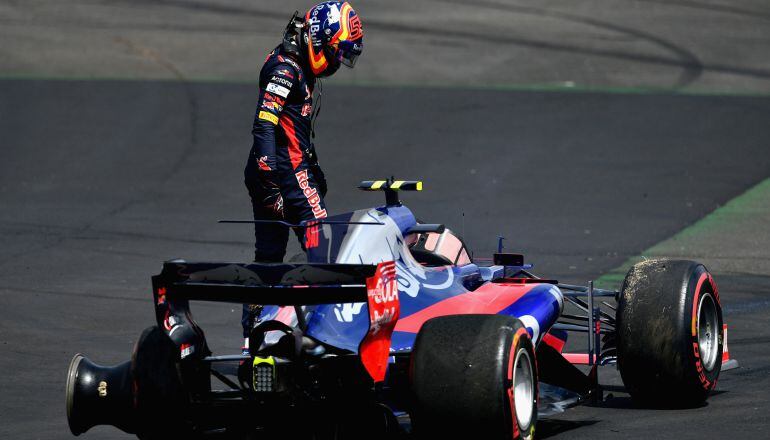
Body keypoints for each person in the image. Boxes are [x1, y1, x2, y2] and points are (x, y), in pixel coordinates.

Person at [241, 1, 364, 350]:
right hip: (284, 178)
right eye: (337, 53)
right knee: (326, 257)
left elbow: (294, 131)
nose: (338, 63)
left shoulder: (299, 64)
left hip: (285, 172)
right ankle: (330, 340)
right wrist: (271, 179)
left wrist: (313, 165)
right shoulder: (285, 70)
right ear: (319, 39)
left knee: (268, 259)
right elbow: (264, 125)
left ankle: (255, 337)